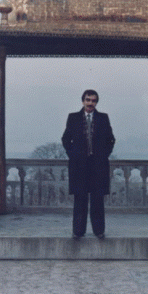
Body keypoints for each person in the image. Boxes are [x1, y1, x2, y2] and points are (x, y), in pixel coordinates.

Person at [62, 90, 115, 239]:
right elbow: (66, 139)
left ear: (96, 102)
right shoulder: (73, 118)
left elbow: (111, 139)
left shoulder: (103, 118)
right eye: (88, 100)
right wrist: (73, 155)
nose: (90, 103)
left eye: (93, 100)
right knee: (80, 198)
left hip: (98, 166)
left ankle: (99, 231)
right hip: (79, 166)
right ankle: (78, 231)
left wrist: (103, 155)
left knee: (97, 199)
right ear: (83, 101)